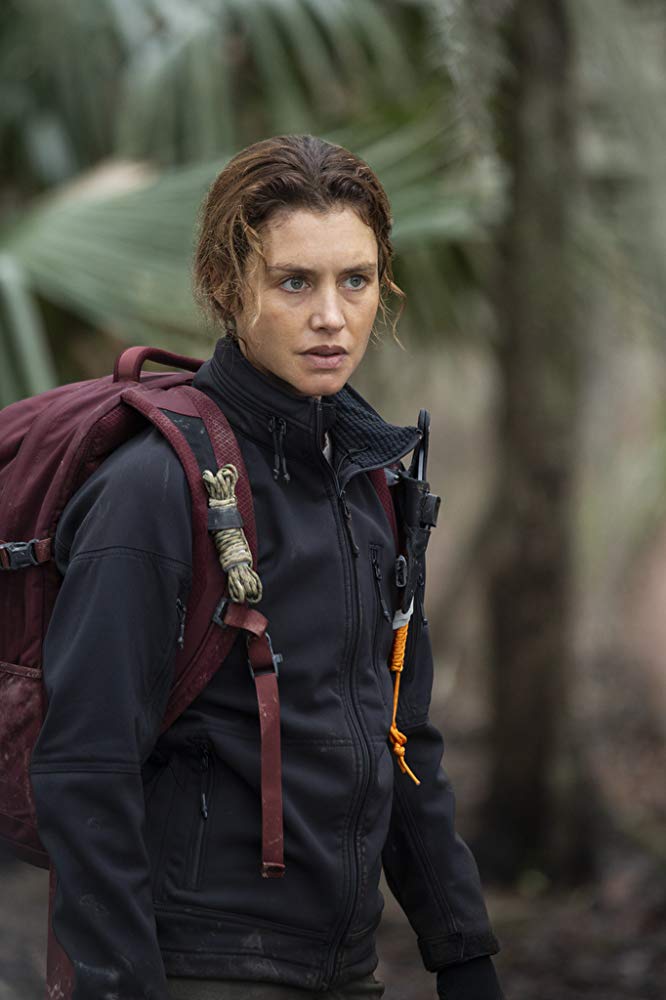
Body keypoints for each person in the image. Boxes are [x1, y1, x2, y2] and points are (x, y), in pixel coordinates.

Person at [30, 134, 504, 1000]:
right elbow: (84, 767)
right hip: (201, 965)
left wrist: (464, 954)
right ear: (226, 285)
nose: (332, 316)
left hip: (345, 968)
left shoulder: (368, 482)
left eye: (355, 280)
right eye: (295, 282)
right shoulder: (155, 488)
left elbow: (404, 740)